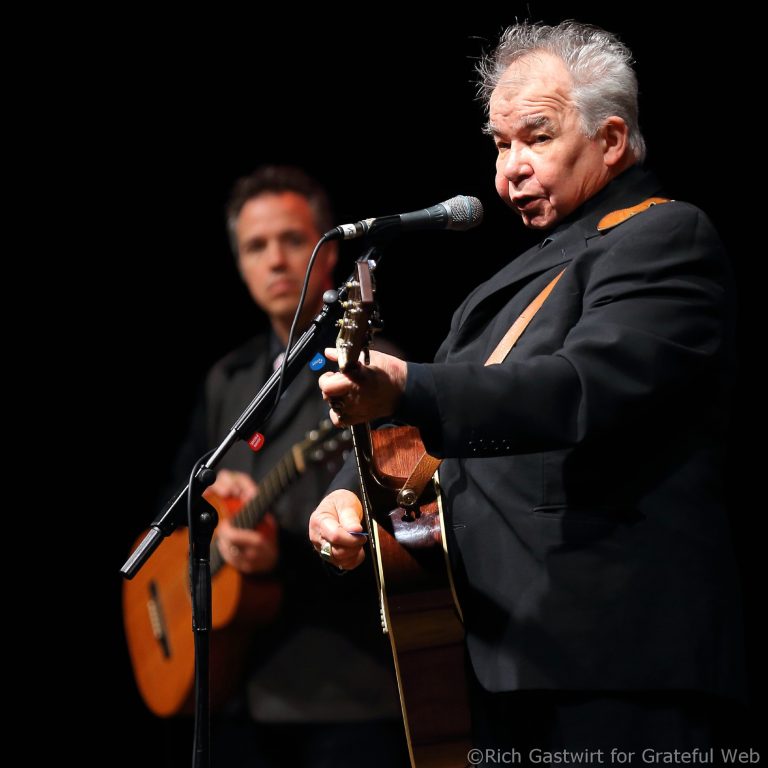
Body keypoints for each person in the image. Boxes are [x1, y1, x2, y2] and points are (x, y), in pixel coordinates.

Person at [309, 22, 746, 762]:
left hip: (611, 660)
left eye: (535, 138)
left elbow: (577, 388)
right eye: (500, 144)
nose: (508, 170)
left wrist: (409, 384)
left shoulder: (665, 237)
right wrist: (349, 495)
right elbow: (419, 434)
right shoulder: (522, 281)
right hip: (502, 655)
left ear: (610, 140)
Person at [170, 166, 406, 767]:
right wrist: (211, 509)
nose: (275, 260)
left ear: (327, 250)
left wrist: (286, 550)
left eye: (293, 240)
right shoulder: (230, 378)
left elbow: (400, 518)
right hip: (237, 688)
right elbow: (171, 504)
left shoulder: (374, 367)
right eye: (256, 246)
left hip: (346, 690)